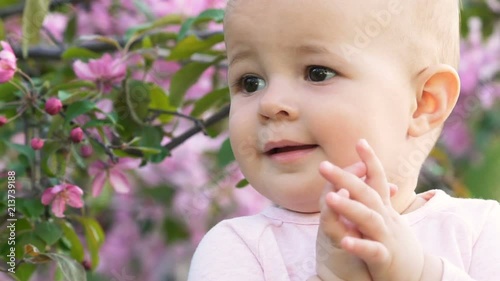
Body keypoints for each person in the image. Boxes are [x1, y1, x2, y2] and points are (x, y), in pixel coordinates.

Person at [188, 0, 500, 280]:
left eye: (317, 73)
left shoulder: (480, 231)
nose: (270, 103)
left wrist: (418, 274)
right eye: (250, 82)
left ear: (423, 103)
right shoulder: (238, 248)